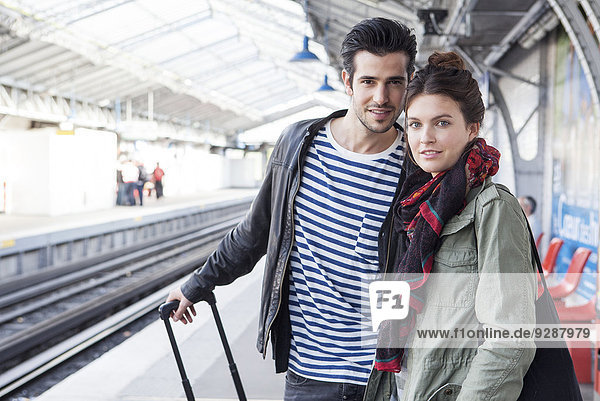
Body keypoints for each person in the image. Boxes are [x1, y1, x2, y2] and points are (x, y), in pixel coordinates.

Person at [166, 17, 417, 401]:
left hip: (387, 378)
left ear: (407, 82)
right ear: (348, 82)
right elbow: (254, 234)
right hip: (308, 373)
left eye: (394, 82)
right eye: (369, 81)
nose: (381, 97)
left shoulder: (416, 165)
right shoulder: (299, 146)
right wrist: (198, 283)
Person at [366, 51, 581, 400]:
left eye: (442, 122)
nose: (425, 138)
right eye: (416, 124)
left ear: (472, 128)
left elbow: (510, 339)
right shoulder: (413, 206)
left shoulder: (491, 207)